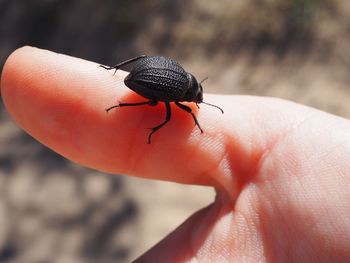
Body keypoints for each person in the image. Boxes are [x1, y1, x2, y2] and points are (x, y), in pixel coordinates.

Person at [1, 46, 350, 263]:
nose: (196, 103)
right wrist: (165, 127)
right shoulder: (179, 94)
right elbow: (167, 112)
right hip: (144, 80)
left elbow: (151, 69)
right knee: (160, 112)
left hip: (143, 72)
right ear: (192, 93)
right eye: (196, 99)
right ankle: (114, 75)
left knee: (146, 83)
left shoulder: (182, 77)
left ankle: (111, 68)